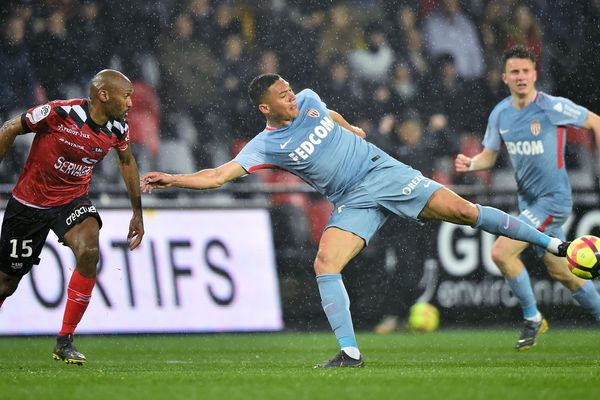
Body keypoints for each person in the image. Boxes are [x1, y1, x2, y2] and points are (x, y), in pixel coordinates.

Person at [141, 73, 570, 368]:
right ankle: (349, 352)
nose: (292, 96)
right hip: (352, 200)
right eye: (283, 95)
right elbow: (218, 175)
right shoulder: (265, 145)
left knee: (464, 212)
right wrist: (173, 178)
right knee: (325, 262)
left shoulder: (308, 100)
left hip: (382, 172)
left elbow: (329, 115)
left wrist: (352, 129)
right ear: (264, 106)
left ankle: (554, 245)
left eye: (291, 90)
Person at [455, 46, 600, 350]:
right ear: (505, 77)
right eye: (515, 72)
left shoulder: (551, 107)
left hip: (553, 201)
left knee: (501, 252)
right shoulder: (500, 113)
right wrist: (471, 163)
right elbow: (489, 156)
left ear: (535, 74)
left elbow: (595, 122)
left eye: (526, 71)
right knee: (562, 271)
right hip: (529, 204)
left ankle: (533, 317)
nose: (521, 76)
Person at [0, 69, 145, 364]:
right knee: (7, 282)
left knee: (90, 251)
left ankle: (64, 340)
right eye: (126, 95)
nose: (131, 103)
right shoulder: (59, 113)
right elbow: (9, 128)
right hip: (30, 204)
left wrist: (137, 212)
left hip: (71, 200)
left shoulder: (118, 128)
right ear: (104, 95)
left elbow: (127, 162)